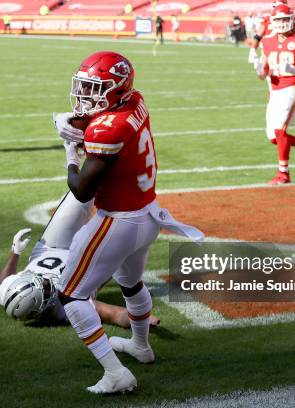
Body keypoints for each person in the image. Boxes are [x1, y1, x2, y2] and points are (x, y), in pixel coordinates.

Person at [54, 51, 203, 393]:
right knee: (131, 284)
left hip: (118, 221)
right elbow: (107, 124)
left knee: (71, 295)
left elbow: (80, 189)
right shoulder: (135, 100)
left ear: (115, 90)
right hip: (148, 214)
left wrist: (70, 151)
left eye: (95, 88)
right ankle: (141, 346)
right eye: (84, 86)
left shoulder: (107, 129)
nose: (85, 95)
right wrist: (81, 127)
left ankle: (115, 373)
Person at [0, 192, 160, 327]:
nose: (44, 280)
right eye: (44, 287)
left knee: (81, 194)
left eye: (37, 280)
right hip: (90, 260)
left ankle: (98, 157)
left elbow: (2, 285)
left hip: (52, 246)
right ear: (43, 304)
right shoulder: (68, 307)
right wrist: (142, 320)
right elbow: (114, 314)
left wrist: (15, 252)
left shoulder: (12, 293)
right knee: (131, 231)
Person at [256, 4, 295, 184]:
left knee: (280, 131)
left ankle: (284, 173)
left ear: (291, 20)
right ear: (272, 22)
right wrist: (260, 71)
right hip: (274, 90)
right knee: (274, 137)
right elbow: (264, 70)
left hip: (291, 88)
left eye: (284, 19)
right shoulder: (267, 41)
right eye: (278, 19)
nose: (282, 23)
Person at [248, 0, 287, 66]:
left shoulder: (289, 18)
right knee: (264, 70)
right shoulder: (267, 18)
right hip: (268, 48)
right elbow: (258, 35)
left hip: (284, 48)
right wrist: (252, 49)